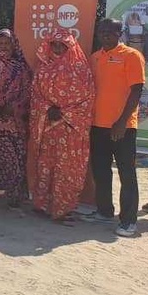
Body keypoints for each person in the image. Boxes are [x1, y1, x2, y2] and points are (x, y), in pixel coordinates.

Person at [85, 18, 145, 237]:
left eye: (111, 31)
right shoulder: (94, 58)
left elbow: (137, 90)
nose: (106, 34)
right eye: (102, 31)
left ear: (120, 32)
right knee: (101, 171)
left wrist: (121, 122)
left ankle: (129, 221)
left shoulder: (131, 56)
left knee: (126, 173)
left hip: (123, 127)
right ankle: (104, 210)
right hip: (97, 125)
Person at [29, 29, 95, 224]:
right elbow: (35, 96)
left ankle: (62, 210)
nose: (58, 48)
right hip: (48, 128)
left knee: (67, 170)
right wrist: (47, 109)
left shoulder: (82, 71)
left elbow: (88, 99)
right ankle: (42, 205)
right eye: (54, 44)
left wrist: (64, 114)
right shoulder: (43, 69)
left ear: (70, 47)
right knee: (45, 167)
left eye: (62, 45)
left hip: (71, 130)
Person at [0, 29, 32, 209]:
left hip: (13, 121)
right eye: (0, 44)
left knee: (15, 157)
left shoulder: (22, 67)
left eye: (7, 43)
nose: (3, 47)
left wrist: (12, 107)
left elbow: (28, 92)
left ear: (14, 46)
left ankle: (15, 195)